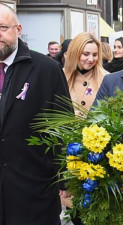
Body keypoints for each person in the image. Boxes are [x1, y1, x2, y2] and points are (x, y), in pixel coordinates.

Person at [0, 3, 71, 225]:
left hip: (33, 190)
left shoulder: (45, 69)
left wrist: (65, 179)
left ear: (18, 29)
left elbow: (63, 126)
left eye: (2, 28)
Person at [64, 32, 107, 117]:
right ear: (74, 53)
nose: (91, 59)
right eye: (86, 54)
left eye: (95, 55)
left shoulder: (107, 78)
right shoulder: (61, 75)